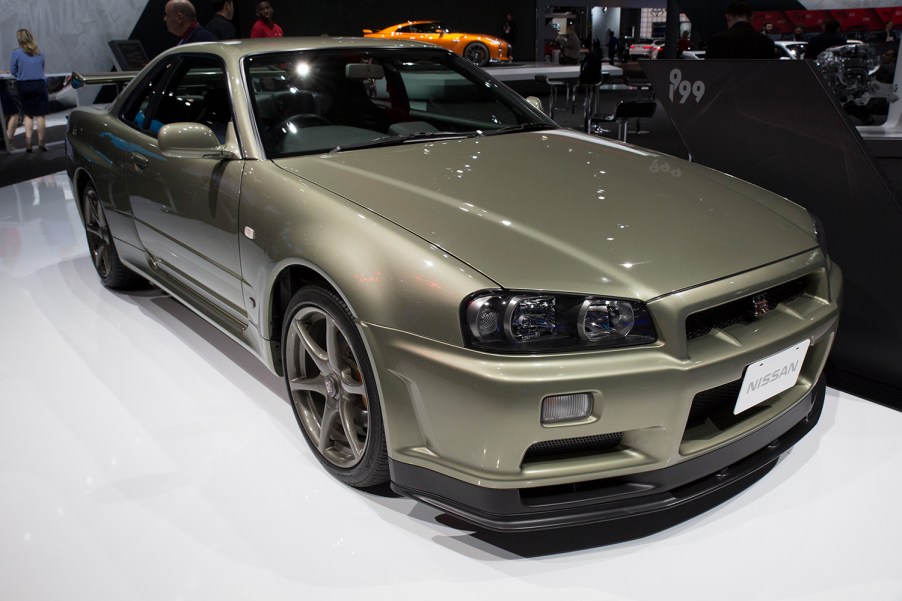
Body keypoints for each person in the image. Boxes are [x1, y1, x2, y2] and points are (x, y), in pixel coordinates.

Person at [10, 29, 48, 152]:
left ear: (19, 39)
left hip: (24, 85)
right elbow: (42, 69)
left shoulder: (16, 53)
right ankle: (42, 144)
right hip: (39, 85)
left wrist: (21, 74)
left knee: (28, 115)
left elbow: (13, 71)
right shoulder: (39, 53)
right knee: (41, 115)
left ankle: (29, 144)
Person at [705, 1, 775, 59]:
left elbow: (708, 69)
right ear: (752, 17)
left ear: (727, 17)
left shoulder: (716, 41)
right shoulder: (766, 43)